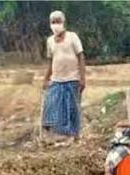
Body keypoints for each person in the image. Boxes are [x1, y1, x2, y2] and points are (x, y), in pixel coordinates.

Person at [42, 10, 86, 142]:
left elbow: (81, 57)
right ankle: (58, 135)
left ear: (63, 22)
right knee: (52, 105)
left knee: (72, 107)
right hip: (56, 79)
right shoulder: (50, 41)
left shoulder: (72, 37)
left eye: (58, 21)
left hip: (72, 78)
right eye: (53, 22)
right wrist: (46, 78)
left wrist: (82, 78)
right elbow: (51, 61)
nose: (56, 24)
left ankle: (75, 135)